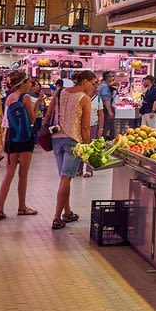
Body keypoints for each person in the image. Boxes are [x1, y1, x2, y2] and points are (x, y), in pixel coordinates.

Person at [47, 70, 97, 230]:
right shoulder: (85, 98)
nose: (93, 87)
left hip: (56, 139)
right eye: (93, 83)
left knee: (64, 178)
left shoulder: (60, 92)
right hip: (73, 142)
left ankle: (67, 212)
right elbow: (85, 126)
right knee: (66, 179)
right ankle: (56, 217)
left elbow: (49, 113)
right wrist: (87, 147)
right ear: (85, 82)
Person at [0, 71, 40, 221]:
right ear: (22, 83)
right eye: (28, 83)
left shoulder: (9, 98)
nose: (30, 85)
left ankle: (0, 209)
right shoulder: (25, 97)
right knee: (23, 175)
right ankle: (22, 207)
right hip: (26, 139)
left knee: (9, 174)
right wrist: (38, 104)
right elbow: (32, 120)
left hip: (10, 138)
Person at [83, 83, 104, 177]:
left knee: (91, 148)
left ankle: (89, 169)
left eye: (96, 87)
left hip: (93, 126)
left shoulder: (98, 99)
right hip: (81, 127)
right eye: (93, 87)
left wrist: (101, 128)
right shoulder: (82, 97)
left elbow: (101, 114)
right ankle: (78, 169)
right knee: (80, 147)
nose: (94, 89)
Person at [98, 71, 115, 140]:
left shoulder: (103, 85)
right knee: (105, 127)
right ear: (108, 78)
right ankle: (103, 143)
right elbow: (105, 99)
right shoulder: (105, 86)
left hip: (103, 108)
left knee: (107, 127)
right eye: (111, 77)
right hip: (105, 109)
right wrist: (110, 111)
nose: (112, 78)